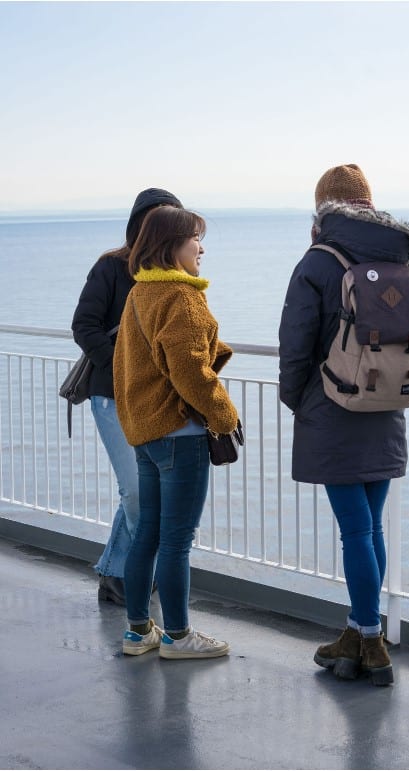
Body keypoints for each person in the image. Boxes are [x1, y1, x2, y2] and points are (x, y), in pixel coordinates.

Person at [278, 164, 409, 686]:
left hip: (332, 409)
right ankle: (358, 632)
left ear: (324, 207)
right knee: (369, 527)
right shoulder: (398, 257)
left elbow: (296, 341)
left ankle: (369, 640)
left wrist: (296, 400)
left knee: (355, 533)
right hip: (387, 406)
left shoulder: (319, 261)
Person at [113, 205, 239, 659]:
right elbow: (190, 371)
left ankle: (137, 631)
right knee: (176, 541)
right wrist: (225, 414)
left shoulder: (140, 294)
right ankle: (179, 637)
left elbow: (132, 362)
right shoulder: (180, 296)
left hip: (147, 433)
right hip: (180, 434)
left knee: (147, 533)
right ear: (172, 246)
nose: (201, 248)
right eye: (194, 240)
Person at [72, 188, 183, 606]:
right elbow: (84, 326)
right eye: (154, 219)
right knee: (137, 491)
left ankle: (118, 576)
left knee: (143, 490)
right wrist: (123, 367)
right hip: (113, 396)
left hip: (156, 400)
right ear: (138, 224)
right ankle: (142, 578)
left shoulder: (176, 273)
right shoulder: (111, 268)